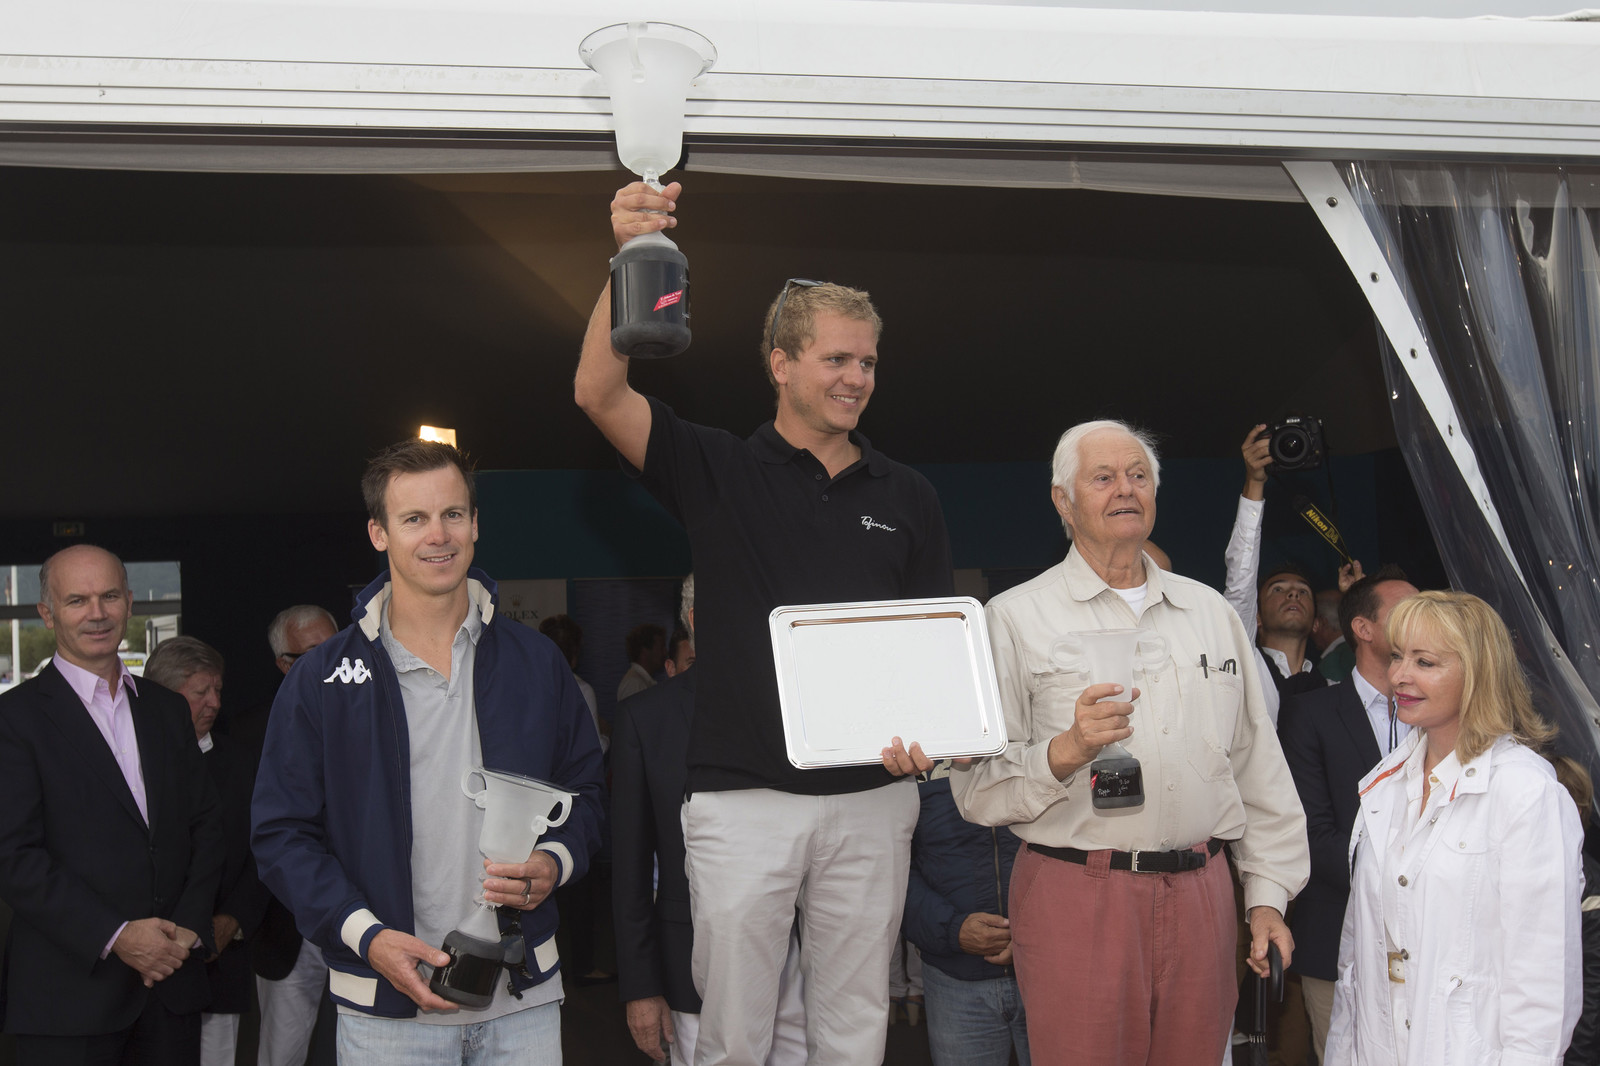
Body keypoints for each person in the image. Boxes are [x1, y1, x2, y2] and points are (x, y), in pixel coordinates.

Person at [576, 181, 952, 1064]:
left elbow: (928, 650)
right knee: (734, 1039)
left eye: (868, 362)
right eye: (836, 359)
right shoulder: (714, 467)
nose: (856, 378)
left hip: (872, 800)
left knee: (853, 1035)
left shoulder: (909, 495)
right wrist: (627, 258)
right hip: (743, 802)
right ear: (781, 364)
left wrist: (931, 736)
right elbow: (597, 391)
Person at [950, 419, 1307, 1066]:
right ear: (1063, 501)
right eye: (1104, 477)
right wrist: (1066, 750)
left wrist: (1267, 898)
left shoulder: (1210, 613)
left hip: (1203, 894)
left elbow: (1258, 768)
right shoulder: (1013, 618)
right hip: (1077, 895)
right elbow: (976, 791)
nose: (1126, 489)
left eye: (1139, 476)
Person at [251, 439, 605, 1064]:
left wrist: (555, 860)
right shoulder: (320, 678)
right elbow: (280, 834)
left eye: (452, 514)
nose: (438, 535)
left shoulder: (536, 661)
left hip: (523, 1003)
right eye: (414, 518)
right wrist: (366, 936)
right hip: (386, 1011)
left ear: (475, 524)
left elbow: (587, 792)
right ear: (379, 533)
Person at [1327, 590, 1583, 1065]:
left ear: (1478, 673)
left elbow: (1543, 989)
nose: (1399, 675)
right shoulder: (1383, 787)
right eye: (1397, 656)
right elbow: (1355, 966)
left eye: (1424, 662)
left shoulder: (1525, 793)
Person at [0, 545, 224, 1065]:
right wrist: (117, 936)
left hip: (171, 984)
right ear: (47, 613)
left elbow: (207, 824)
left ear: (129, 602)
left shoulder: (167, 710)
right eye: (77, 600)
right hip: (69, 997)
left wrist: (189, 928)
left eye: (109, 596)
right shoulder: (14, 719)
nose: (97, 613)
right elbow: (13, 857)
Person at [610, 574, 805, 1066]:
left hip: (804, 968)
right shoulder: (646, 719)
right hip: (695, 970)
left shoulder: (804, 704)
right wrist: (642, 987)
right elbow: (631, 869)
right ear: (697, 620)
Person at [1276, 566, 1417, 1062]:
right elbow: (1310, 835)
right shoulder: (1310, 713)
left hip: (1434, 941)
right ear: (1363, 628)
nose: (1424, 619)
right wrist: (1410, 876)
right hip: (1339, 934)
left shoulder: (1441, 712)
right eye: (1407, 611)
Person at [146, 635, 271, 1066]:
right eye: (201, 691)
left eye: (218, 689)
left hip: (220, 957)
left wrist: (233, 918)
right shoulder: (131, 762)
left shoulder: (241, 762)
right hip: (144, 963)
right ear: (162, 694)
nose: (214, 703)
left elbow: (264, 850)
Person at [253, 604, 339, 1066]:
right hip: (287, 925)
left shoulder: (383, 715)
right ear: (284, 665)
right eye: (311, 655)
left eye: (335, 647)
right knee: (283, 1052)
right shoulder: (254, 733)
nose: (330, 662)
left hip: (368, 918)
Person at [903, 761, 1030, 1066]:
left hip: (1046, 972)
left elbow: (1077, 850)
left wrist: (1033, 932)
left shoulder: (1045, 741)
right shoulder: (913, 757)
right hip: (954, 979)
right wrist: (953, 929)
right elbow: (891, 867)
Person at [617, 623, 666, 702]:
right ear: (645, 652)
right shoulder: (634, 684)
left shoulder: (640, 681)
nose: (665, 652)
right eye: (661, 647)